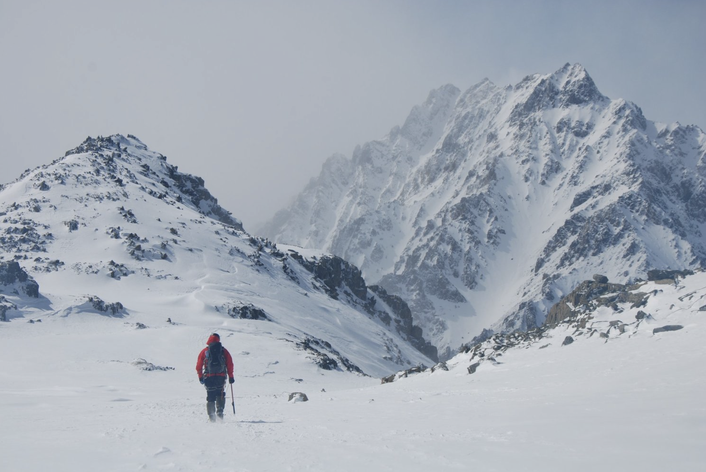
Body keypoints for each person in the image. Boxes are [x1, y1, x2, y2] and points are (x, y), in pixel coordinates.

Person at [196, 333, 234, 422]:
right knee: (220, 394)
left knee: (210, 396)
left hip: (209, 377)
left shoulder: (205, 351)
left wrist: (200, 376)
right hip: (221, 377)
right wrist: (231, 376)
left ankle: (211, 417)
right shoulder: (223, 351)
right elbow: (230, 364)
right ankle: (220, 413)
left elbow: (199, 365)